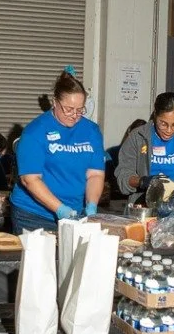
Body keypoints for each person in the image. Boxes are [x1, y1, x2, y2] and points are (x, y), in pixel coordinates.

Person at [10, 72, 106, 233]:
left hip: (76, 213)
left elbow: (95, 174)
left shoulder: (91, 131)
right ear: (55, 102)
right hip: (33, 215)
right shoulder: (35, 131)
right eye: (68, 109)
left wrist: (91, 205)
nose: (75, 115)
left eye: (80, 110)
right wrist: (60, 209)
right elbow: (30, 180)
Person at [116, 94, 174, 217]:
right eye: (163, 124)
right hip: (142, 211)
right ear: (155, 116)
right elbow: (123, 175)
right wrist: (142, 181)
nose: (169, 130)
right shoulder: (137, 137)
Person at [106, 118, 147, 199]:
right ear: (129, 133)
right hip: (116, 197)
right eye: (135, 136)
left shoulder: (147, 155)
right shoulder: (111, 152)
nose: (138, 141)